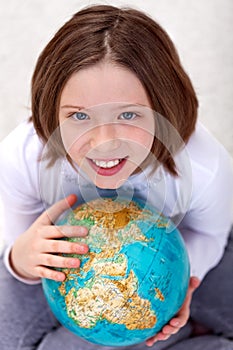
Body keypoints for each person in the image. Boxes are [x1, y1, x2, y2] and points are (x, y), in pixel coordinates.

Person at [0, 4, 232, 350]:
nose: (105, 142)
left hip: (182, 246)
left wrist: (180, 279)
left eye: (128, 114)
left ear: (164, 108)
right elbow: (14, 239)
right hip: (65, 265)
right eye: (79, 116)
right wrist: (21, 258)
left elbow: (210, 233)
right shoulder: (24, 155)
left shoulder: (204, 166)